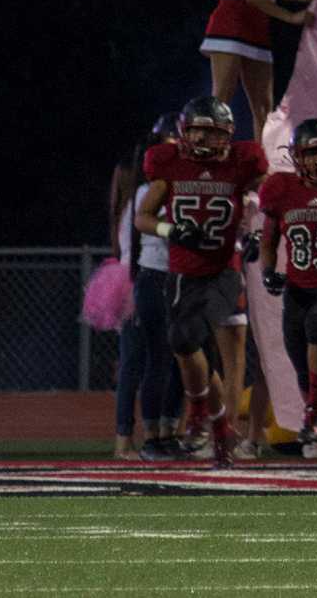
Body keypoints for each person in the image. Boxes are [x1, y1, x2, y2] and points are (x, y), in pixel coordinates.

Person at [135, 95, 268, 465]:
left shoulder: (242, 165)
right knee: (182, 341)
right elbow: (143, 217)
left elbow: (268, 194)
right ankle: (208, 415)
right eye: (199, 131)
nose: (207, 139)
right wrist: (171, 229)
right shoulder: (170, 167)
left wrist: (257, 227)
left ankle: (213, 422)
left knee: (221, 345)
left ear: (227, 135)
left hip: (225, 268)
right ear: (185, 133)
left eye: (214, 132)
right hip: (183, 270)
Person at [257, 118, 317, 467]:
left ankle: (312, 410)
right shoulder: (281, 189)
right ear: (297, 156)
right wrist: (269, 271)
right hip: (297, 289)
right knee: (301, 369)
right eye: (313, 152)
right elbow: (268, 240)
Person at [111, 113, 183, 460]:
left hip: (157, 277)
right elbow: (129, 242)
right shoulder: (145, 191)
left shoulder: (156, 189)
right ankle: (126, 438)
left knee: (161, 360)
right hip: (141, 277)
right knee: (136, 362)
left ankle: (158, 433)